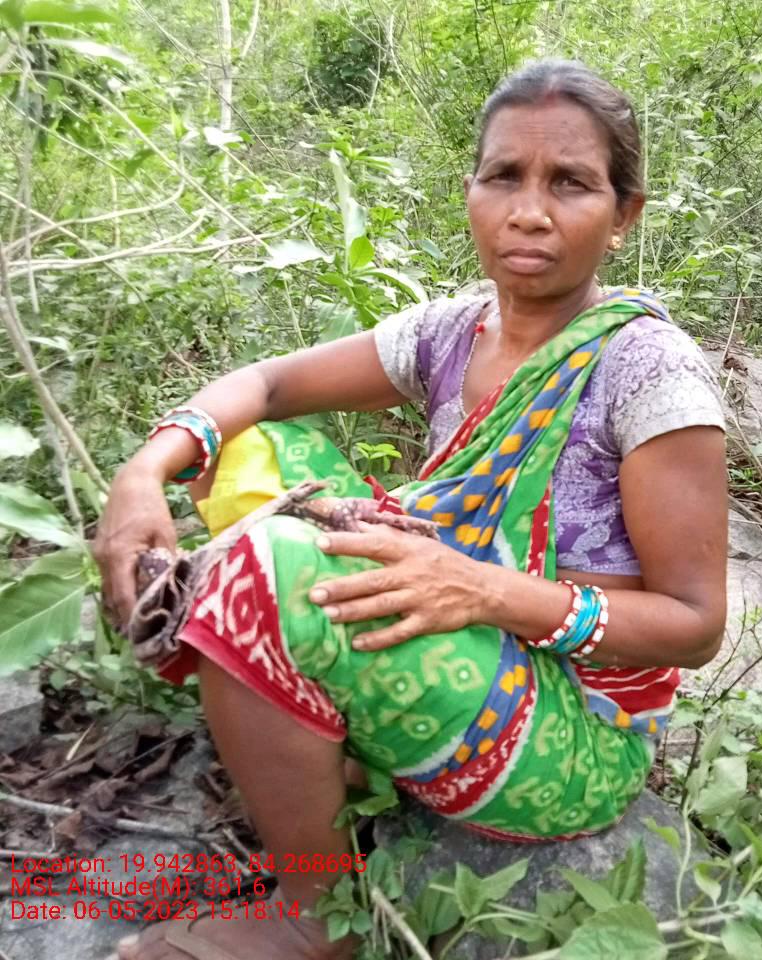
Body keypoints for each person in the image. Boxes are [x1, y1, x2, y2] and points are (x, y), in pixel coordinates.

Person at [94, 58, 728, 960]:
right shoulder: (451, 333)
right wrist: (143, 473)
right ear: (470, 190)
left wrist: (482, 590)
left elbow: (695, 626)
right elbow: (267, 386)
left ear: (623, 214)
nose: (529, 211)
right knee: (243, 446)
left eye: (570, 183)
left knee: (266, 566)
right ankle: (327, 731)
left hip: (572, 734)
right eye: (504, 175)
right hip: (455, 628)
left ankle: (316, 915)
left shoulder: (651, 373)